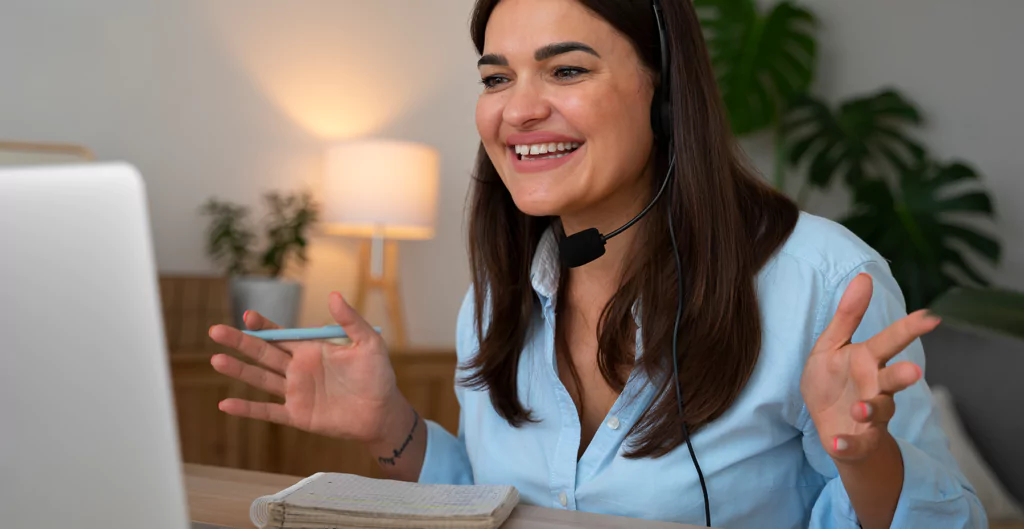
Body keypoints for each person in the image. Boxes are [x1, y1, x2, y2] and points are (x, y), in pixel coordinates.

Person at [207, 0, 985, 527]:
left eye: (567, 69)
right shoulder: (497, 299)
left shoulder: (820, 280)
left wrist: (865, 455)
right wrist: (394, 427)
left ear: (664, 92)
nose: (517, 109)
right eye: (496, 76)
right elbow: (501, 503)